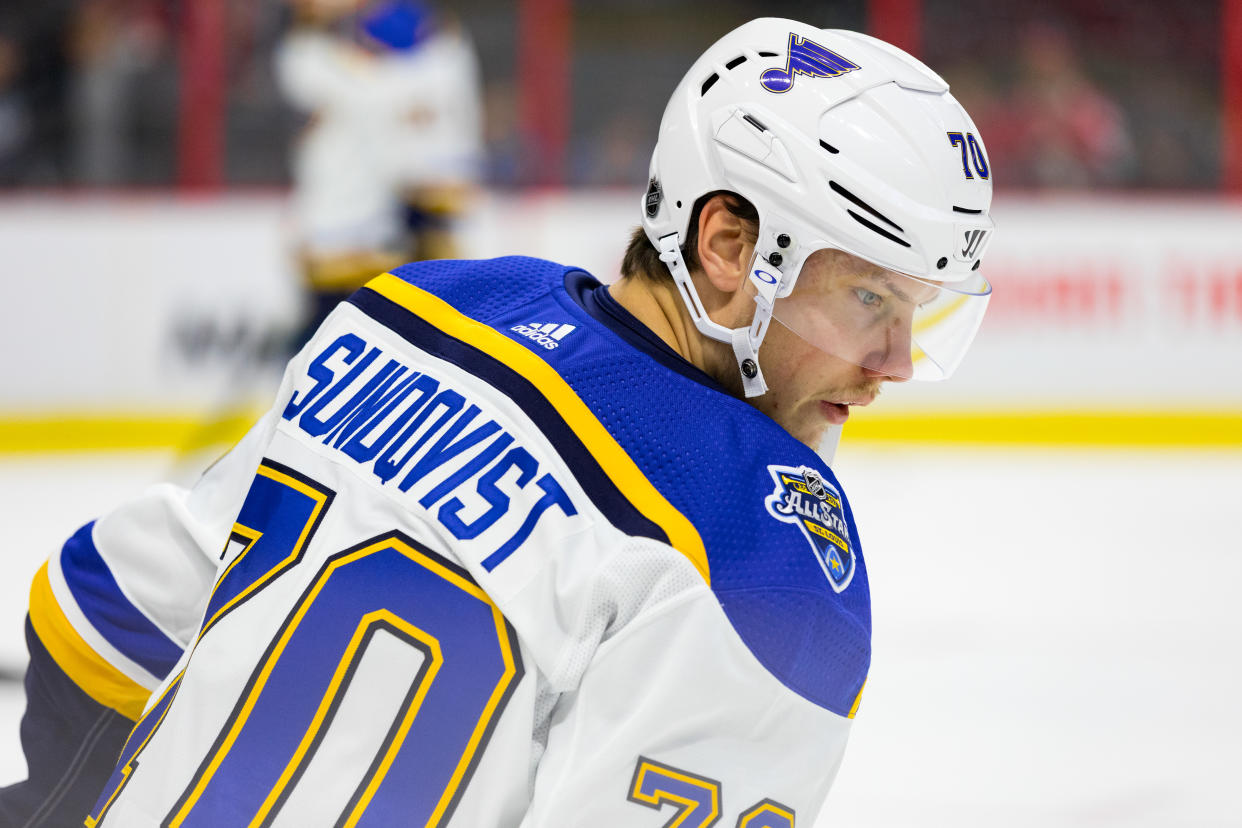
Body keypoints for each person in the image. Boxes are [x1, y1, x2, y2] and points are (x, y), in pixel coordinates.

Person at [0, 17, 995, 826]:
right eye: (870, 301)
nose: (899, 366)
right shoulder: (760, 559)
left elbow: (104, 610)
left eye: (920, 314)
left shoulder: (422, 308)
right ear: (730, 242)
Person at [276, 0, 484, 342]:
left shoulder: (411, 53)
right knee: (336, 322)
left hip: (391, 206)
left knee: (400, 316)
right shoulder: (308, 57)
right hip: (345, 217)